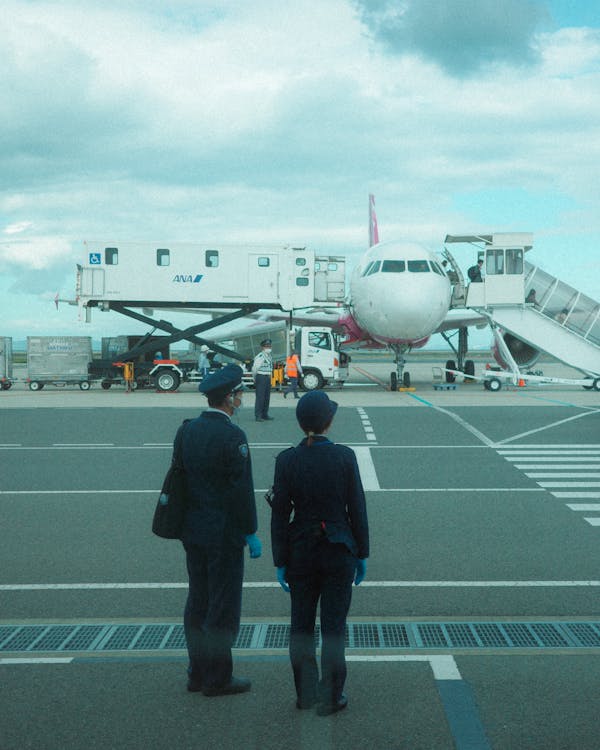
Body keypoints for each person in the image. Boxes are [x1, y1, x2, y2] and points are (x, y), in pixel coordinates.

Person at [270, 391, 369, 715]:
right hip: (339, 550)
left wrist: (280, 559)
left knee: (300, 626)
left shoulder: (287, 460)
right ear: (328, 421)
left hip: (301, 551)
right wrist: (362, 552)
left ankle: (305, 694)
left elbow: (280, 514)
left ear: (301, 423)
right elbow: (357, 508)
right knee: (333, 627)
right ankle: (331, 696)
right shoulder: (344, 456)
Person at [179, 364, 262, 696]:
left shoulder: (186, 430)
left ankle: (196, 672)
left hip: (192, 530)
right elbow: (241, 491)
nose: (241, 398)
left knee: (197, 600)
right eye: (239, 394)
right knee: (222, 606)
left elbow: (180, 480)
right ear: (228, 398)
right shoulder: (233, 436)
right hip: (223, 534)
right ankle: (218, 678)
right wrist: (251, 531)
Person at [251, 339, 273, 422]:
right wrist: (254, 378)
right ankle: (258, 415)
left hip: (267, 377)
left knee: (267, 397)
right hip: (261, 377)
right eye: (267, 346)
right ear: (262, 347)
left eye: (269, 346)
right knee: (260, 397)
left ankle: (265, 414)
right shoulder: (260, 356)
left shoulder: (269, 356)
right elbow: (254, 368)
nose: (269, 348)